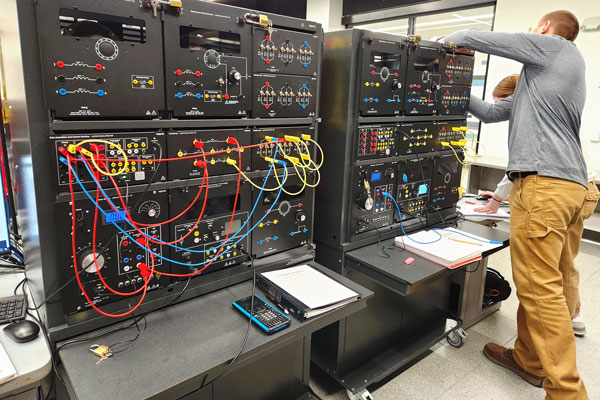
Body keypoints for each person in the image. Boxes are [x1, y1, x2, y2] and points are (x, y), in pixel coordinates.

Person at [445, 10, 589, 399]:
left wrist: (442, 47)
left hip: (545, 185)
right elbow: (491, 113)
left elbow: (476, 36)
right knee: (544, 285)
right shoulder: (538, 84)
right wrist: (451, 88)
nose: (531, 32)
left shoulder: (556, 49)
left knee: (541, 292)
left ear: (544, 28)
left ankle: (567, 393)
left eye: (534, 27)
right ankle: (528, 360)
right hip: (567, 187)